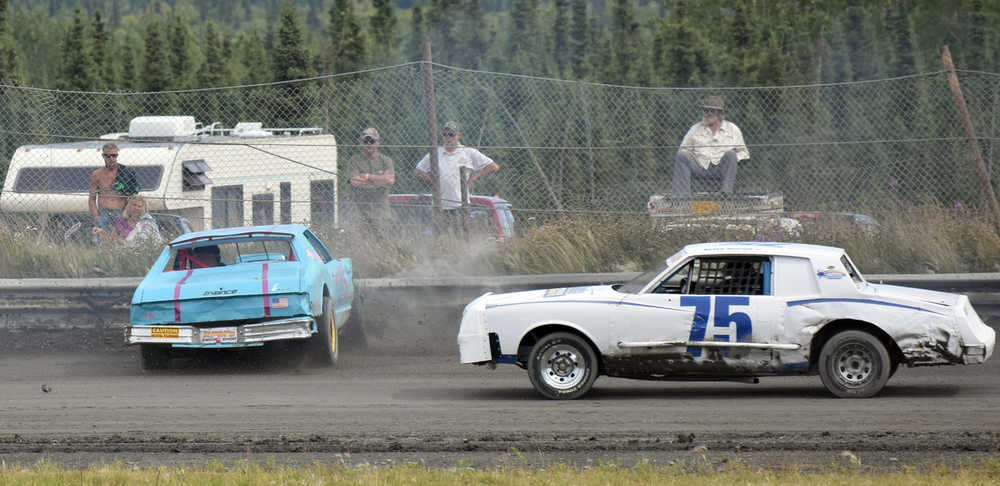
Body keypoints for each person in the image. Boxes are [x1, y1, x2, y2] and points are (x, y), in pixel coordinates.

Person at [413, 121, 499, 227]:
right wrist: (432, 180)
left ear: (458, 135)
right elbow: (418, 171)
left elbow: (493, 166)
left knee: (461, 237)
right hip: (439, 206)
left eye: (451, 134)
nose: (448, 138)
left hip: (460, 206)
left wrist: (474, 178)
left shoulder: (468, 152)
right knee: (441, 238)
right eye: (445, 134)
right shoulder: (435, 153)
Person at [670, 96, 749, 198]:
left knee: (731, 154)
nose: (707, 113)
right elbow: (683, 148)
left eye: (711, 110)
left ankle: (725, 194)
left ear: (720, 113)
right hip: (700, 166)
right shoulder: (695, 128)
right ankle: (681, 197)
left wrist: (732, 159)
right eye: (705, 110)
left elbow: (744, 153)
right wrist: (687, 152)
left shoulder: (732, 129)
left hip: (721, 168)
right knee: (682, 155)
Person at [342, 127, 395, 232]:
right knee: (362, 244)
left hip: (381, 213)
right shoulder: (354, 161)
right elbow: (355, 182)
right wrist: (379, 182)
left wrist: (367, 177)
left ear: (377, 143)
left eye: (371, 141)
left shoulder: (386, 161)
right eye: (365, 141)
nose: (368, 144)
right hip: (360, 212)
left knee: (383, 242)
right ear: (362, 143)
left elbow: (390, 180)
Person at [89, 143, 139, 244]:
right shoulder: (96, 174)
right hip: (103, 213)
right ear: (103, 156)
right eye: (108, 156)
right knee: (101, 242)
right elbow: (92, 199)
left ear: (117, 156)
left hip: (121, 213)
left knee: (122, 241)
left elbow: (133, 195)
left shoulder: (126, 172)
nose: (111, 158)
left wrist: (127, 214)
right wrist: (96, 217)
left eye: (114, 155)